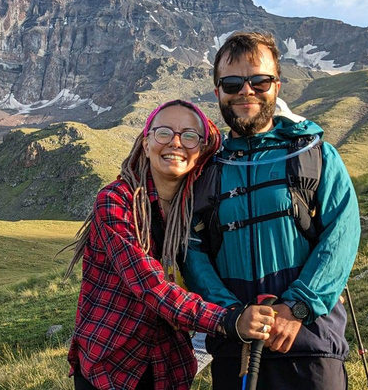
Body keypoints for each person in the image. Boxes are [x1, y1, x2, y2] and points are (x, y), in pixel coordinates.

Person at [182, 32, 361, 389]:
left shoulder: (316, 155)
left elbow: (341, 234)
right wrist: (232, 315)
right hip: (235, 349)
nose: (245, 91)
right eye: (232, 83)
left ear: (277, 86)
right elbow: (191, 250)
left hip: (310, 346)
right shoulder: (204, 169)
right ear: (217, 92)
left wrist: (297, 308)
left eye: (259, 80)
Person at [65, 99, 276, 390]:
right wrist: (229, 321)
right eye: (164, 133)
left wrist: (301, 289)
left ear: (201, 150)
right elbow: (150, 286)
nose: (176, 143)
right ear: (146, 142)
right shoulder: (117, 202)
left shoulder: (196, 211)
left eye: (189, 136)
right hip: (112, 366)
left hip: (168, 367)